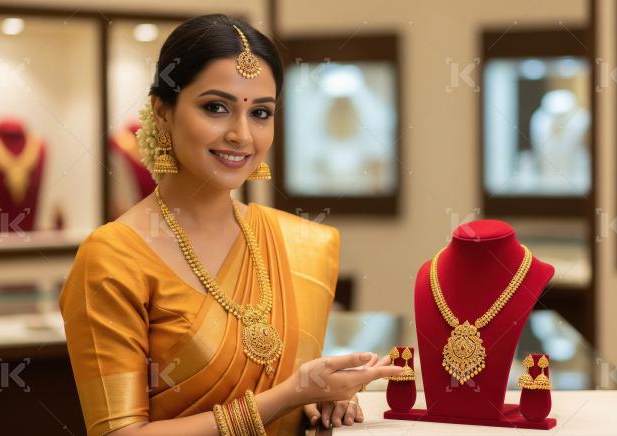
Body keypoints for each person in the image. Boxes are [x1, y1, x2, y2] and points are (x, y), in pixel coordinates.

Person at [59, 14, 406, 436]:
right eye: (216, 107)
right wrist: (289, 395)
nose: (242, 134)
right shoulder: (112, 258)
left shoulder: (305, 244)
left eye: (261, 112)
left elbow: (294, 391)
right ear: (162, 111)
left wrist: (321, 399)